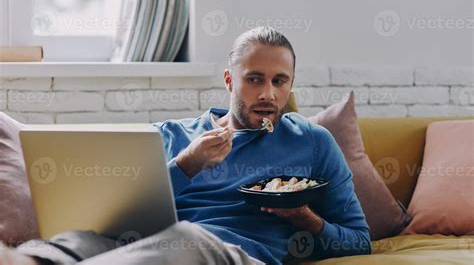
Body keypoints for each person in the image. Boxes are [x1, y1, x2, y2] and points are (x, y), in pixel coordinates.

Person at [1, 27, 371, 265]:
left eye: (280, 81)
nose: (268, 94)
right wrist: (185, 166)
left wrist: (305, 218)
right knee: (82, 239)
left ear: (290, 84)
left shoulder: (312, 142)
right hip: (151, 250)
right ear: (229, 80)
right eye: (254, 79)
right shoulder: (174, 135)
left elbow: (359, 242)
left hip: (234, 257)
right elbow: (113, 218)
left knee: (191, 238)